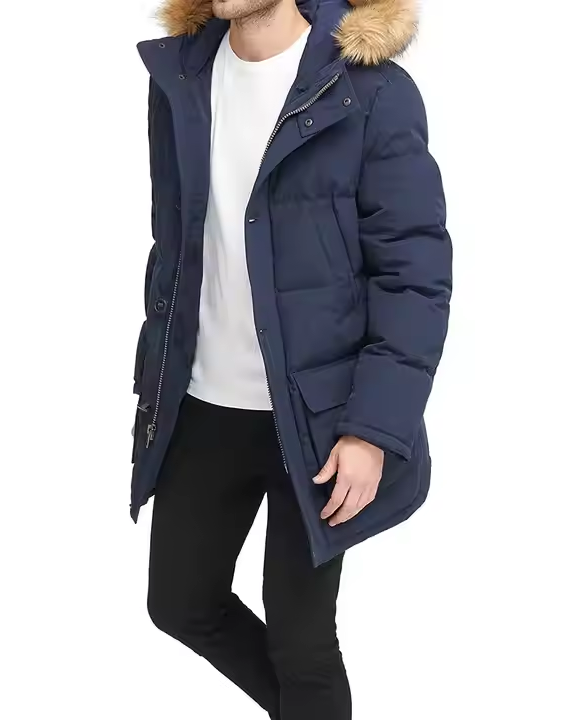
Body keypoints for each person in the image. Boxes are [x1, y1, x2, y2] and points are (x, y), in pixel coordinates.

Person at [131, 0, 451, 716]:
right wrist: (155, 381)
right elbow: (174, 243)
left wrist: (372, 429)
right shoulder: (181, 78)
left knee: (301, 644)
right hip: (204, 403)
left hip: (317, 420)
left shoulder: (368, 89)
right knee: (179, 602)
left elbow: (414, 276)